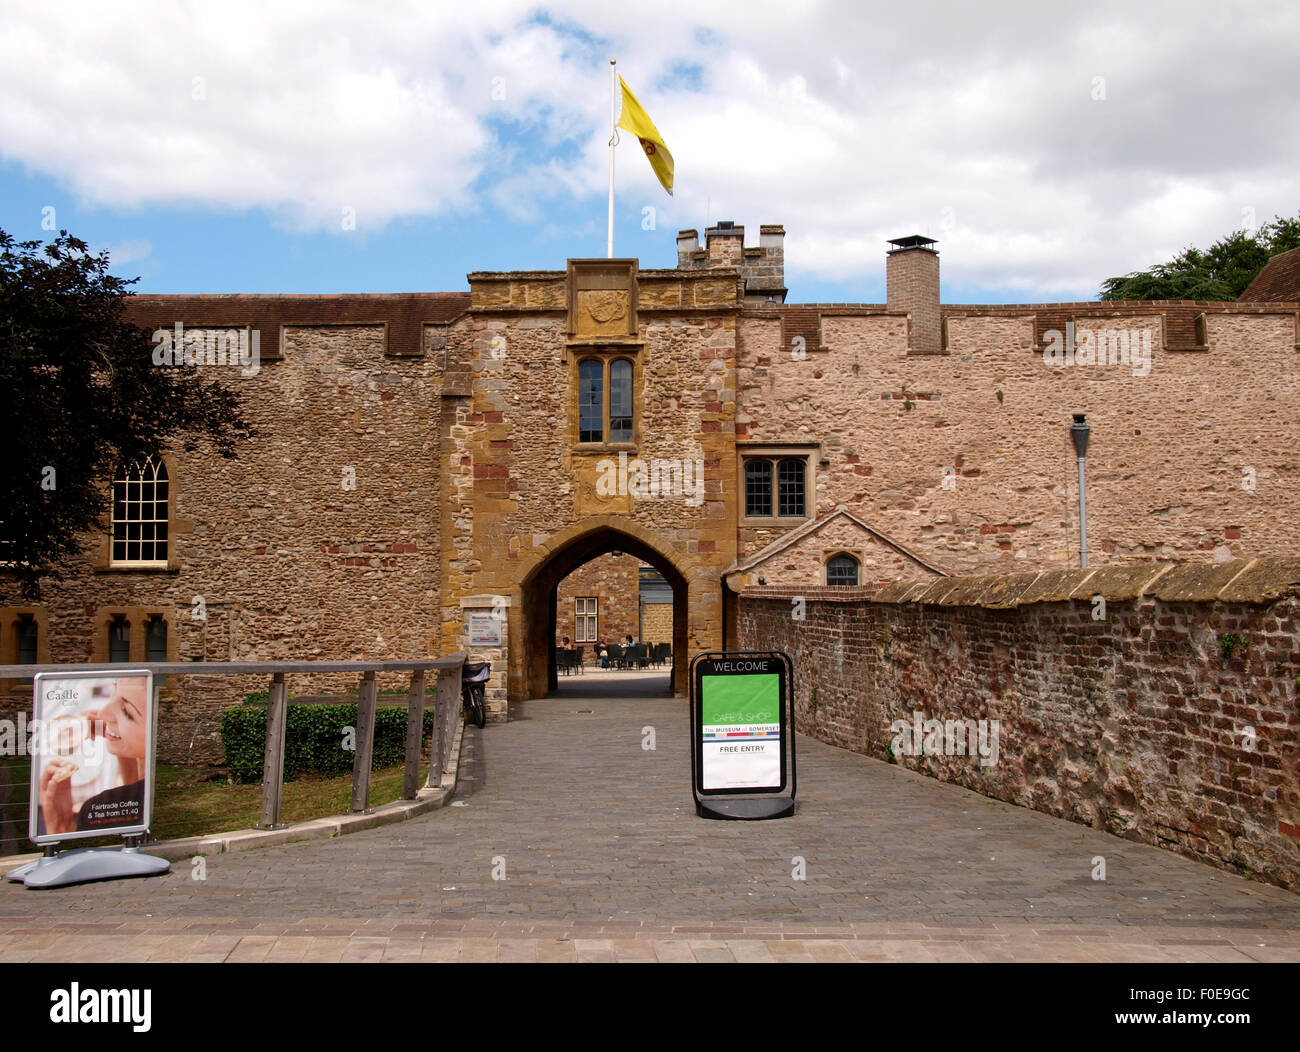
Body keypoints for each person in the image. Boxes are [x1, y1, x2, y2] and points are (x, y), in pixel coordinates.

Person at [39, 677, 149, 835]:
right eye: (114, 692)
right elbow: (137, 789)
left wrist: (60, 827)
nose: (102, 713)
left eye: (126, 712)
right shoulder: (143, 793)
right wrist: (120, 737)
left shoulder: (97, 807)